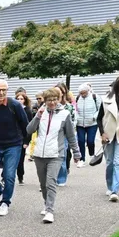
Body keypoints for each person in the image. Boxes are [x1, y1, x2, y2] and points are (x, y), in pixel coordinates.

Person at [27, 89, 81, 223]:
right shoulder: (41, 113)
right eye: (49, 100)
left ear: (59, 99)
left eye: (55, 99)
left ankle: (50, 211)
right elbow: (29, 130)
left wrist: (76, 152)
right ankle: (47, 204)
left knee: (51, 182)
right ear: (45, 101)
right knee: (43, 184)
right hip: (39, 154)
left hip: (56, 154)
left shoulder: (65, 114)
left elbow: (71, 135)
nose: (52, 102)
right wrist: (37, 116)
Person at [0, 79, 29, 217]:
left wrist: (25, 141)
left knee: (9, 175)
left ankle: (5, 202)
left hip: (13, 145)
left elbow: (25, 124)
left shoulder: (15, 105)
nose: (1, 93)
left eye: (4, 90)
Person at [55, 83, 77, 186]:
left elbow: (73, 121)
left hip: (64, 134)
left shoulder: (68, 107)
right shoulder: (48, 105)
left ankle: (61, 178)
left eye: (60, 92)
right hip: (51, 134)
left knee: (62, 156)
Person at [74, 83, 100, 166]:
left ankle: (92, 154)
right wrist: (76, 118)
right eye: (81, 93)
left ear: (88, 91)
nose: (82, 95)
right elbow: (75, 109)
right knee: (80, 141)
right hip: (80, 123)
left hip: (92, 123)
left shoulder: (95, 97)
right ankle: (82, 159)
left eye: (84, 93)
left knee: (90, 141)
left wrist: (94, 117)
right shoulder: (78, 98)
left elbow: (100, 109)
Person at [14, 89, 35, 184]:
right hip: (12, 137)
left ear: (25, 100)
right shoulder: (12, 109)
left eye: (21, 99)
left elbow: (29, 127)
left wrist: (27, 141)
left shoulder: (28, 111)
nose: (19, 100)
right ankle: (6, 176)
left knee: (20, 159)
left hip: (22, 138)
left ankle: (20, 176)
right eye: (18, 99)